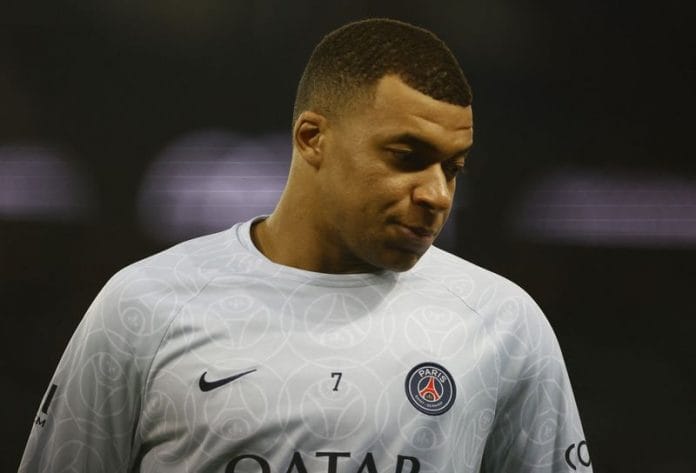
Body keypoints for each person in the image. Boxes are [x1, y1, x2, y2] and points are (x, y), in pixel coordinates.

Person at [19, 18, 592, 473]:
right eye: (407, 157)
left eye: (453, 168)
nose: (437, 195)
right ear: (312, 138)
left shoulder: (502, 321)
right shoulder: (144, 305)